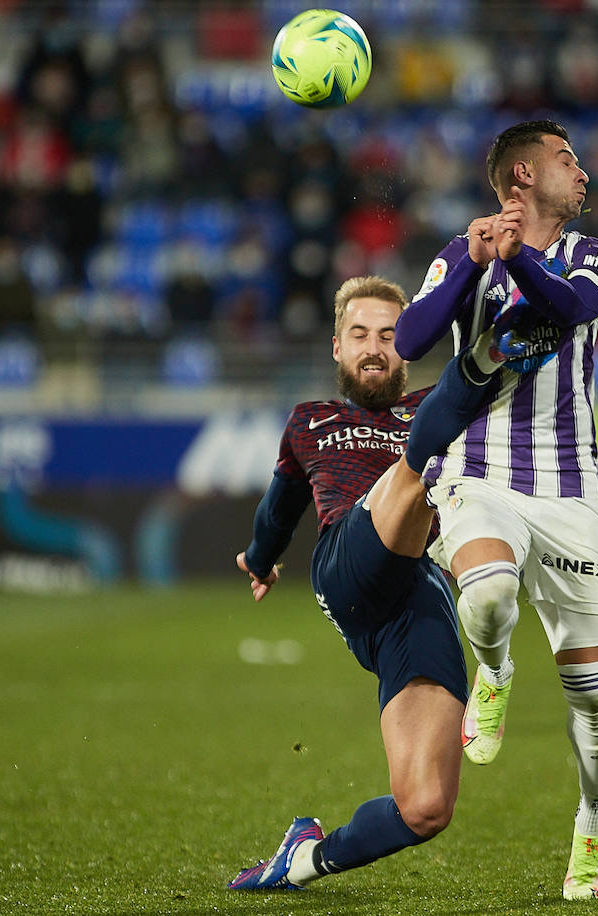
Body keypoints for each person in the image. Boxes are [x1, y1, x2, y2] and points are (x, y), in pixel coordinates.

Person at [393, 119, 598, 900]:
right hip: (480, 468)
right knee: (487, 594)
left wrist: (516, 256)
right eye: (567, 159)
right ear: (522, 174)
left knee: (594, 698)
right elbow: (411, 337)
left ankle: (591, 825)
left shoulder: (592, 255)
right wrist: (473, 265)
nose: (583, 172)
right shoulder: (462, 251)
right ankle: (494, 670)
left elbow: (571, 309)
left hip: (570, 489)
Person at [227, 275, 509, 891]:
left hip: (415, 597)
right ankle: (486, 351)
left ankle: (302, 860)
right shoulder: (312, 421)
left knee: (427, 807)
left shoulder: (432, 407)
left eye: (389, 334)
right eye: (360, 335)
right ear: (337, 346)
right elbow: (279, 509)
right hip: (345, 567)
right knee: (420, 461)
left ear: (407, 345)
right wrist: (260, 558)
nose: (375, 347)